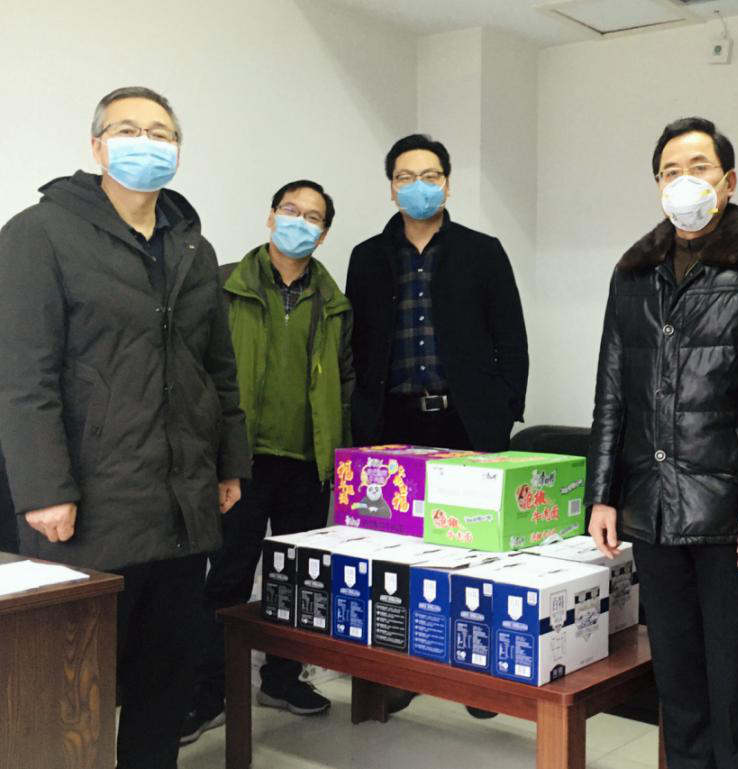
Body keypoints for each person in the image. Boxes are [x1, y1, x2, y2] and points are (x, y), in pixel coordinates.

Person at [0, 86, 249, 769]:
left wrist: (229, 462)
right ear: (97, 145)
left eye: (161, 133)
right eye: (129, 129)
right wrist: (44, 488)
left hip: (180, 501)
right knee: (72, 687)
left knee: (164, 679)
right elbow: (22, 376)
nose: (147, 143)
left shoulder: (192, 246)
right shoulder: (39, 233)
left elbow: (216, 369)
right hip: (87, 505)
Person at [586, 116, 738, 769]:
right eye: (670, 172)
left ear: (729, 180)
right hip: (653, 507)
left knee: (734, 684)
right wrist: (603, 494)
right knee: (678, 682)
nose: (683, 181)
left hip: (729, 513)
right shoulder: (633, 271)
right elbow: (611, 390)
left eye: (698, 168)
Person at [181, 180, 353, 745]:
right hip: (240, 461)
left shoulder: (333, 301)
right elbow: (197, 369)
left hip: (307, 462)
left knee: (299, 579)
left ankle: (281, 679)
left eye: (313, 217)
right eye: (290, 210)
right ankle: (209, 692)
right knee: (228, 576)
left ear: (323, 234)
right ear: (271, 217)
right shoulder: (224, 283)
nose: (299, 222)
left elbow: (345, 381)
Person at [345, 133, 528, 453]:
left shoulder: (483, 251)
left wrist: (505, 407)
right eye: (405, 177)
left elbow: (511, 339)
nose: (419, 186)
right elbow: (356, 343)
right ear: (392, 189)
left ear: (447, 184)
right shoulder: (366, 257)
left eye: (430, 177)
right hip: (388, 423)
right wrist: (360, 411)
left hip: (468, 421)